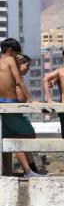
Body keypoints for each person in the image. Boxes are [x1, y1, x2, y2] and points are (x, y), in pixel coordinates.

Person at [0, 39, 41, 177]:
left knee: (6, 138)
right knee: (28, 133)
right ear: (10, 51)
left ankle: (6, 172)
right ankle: (29, 171)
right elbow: (18, 81)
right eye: (17, 53)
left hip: (1, 104)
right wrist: (30, 100)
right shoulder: (10, 60)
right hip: (10, 103)